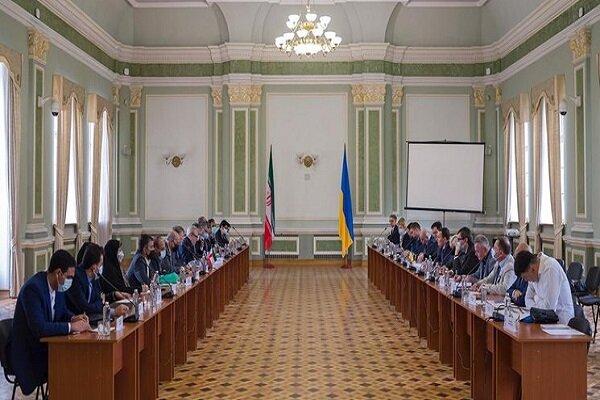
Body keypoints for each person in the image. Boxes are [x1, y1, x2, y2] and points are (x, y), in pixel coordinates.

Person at [7, 250, 90, 395]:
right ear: (58, 273)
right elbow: (39, 328)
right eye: (69, 277)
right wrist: (71, 327)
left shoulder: (57, 287)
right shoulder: (33, 289)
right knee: (71, 362)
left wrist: (73, 318)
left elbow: (61, 312)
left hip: (46, 347)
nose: (70, 281)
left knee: (80, 358)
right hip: (29, 353)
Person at [66, 243, 129, 316]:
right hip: (77, 319)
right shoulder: (76, 277)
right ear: (94, 267)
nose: (101, 267)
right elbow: (85, 307)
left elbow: (100, 300)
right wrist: (113, 311)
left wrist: (113, 295)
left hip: (92, 316)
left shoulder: (94, 277)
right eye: (101, 264)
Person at [514, 250, 574, 324]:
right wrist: (539, 302)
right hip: (541, 319)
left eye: (525, 277)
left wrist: (536, 299)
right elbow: (527, 298)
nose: (525, 280)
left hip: (561, 322)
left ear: (532, 269)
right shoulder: (533, 274)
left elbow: (548, 309)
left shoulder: (550, 268)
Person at [507, 242, 531, 306]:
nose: (516, 262)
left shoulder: (530, 274)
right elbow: (508, 289)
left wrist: (515, 297)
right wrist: (514, 292)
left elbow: (523, 300)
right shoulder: (520, 272)